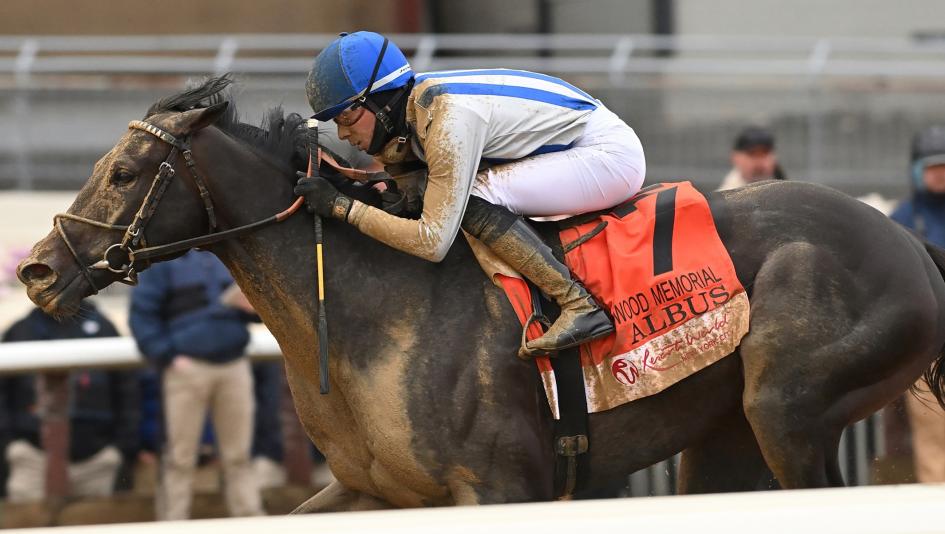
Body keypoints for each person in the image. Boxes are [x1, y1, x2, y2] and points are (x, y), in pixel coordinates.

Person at [296, 31, 646, 358]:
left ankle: (578, 304)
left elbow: (432, 242)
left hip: (607, 155)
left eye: (347, 115)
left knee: (474, 195)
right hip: (577, 144)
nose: (342, 133)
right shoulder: (416, 109)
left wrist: (344, 207)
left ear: (382, 102)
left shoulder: (448, 119)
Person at [129, 249, 263, 519]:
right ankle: (173, 521)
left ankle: (249, 517)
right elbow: (142, 317)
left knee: (238, 455)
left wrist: (253, 308)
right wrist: (169, 356)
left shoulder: (226, 255)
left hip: (233, 363)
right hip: (187, 368)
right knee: (180, 456)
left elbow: (256, 311)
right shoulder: (162, 262)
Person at [0, 302, 138, 502]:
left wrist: (121, 448)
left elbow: (127, 391)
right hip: (31, 459)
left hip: (97, 460)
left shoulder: (105, 329)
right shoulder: (20, 331)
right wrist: (10, 446)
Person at [890, 125, 945, 483]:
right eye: (932, 167)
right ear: (916, 170)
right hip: (929, 346)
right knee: (933, 441)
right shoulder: (902, 219)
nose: (940, 174)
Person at [717, 126, 786, 191]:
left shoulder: (784, 187)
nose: (759, 161)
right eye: (752, 153)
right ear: (735, 157)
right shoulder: (726, 197)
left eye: (764, 154)